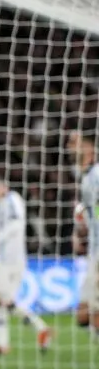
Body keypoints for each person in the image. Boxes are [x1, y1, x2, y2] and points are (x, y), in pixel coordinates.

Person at [0, 176, 50, 354]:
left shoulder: (13, 199)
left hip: (12, 259)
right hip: (3, 258)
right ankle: (3, 343)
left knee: (3, 301)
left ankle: (41, 328)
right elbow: (5, 233)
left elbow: (16, 224)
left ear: (0, 185)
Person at [70, 132, 99, 336]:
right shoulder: (86, 177)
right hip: (94, 250)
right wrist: (82, 226)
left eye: (75, 143)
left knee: (92, 312)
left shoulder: (96, 175)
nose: (70, 146)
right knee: (83, 315)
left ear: (89, 149)